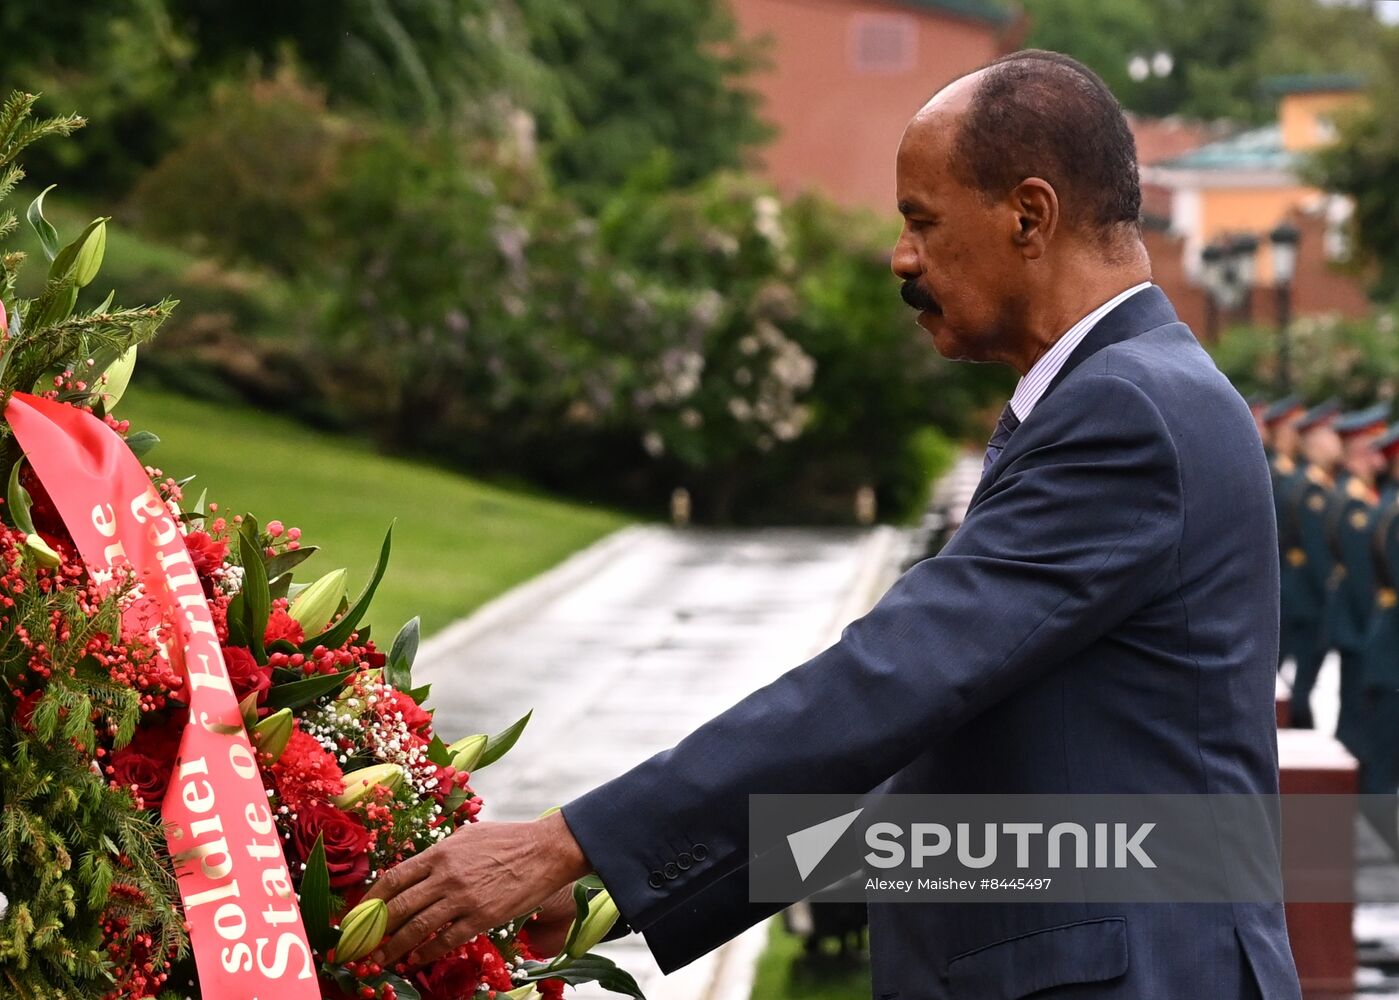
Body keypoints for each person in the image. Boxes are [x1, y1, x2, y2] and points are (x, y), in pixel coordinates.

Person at [363, 51, 1301, 999]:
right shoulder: (1124, 390)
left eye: (921, 221)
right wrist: (616, 891)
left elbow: (891, 679)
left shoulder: (1126, 411)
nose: (900, 256)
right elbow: (955, 791)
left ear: (1029, 214)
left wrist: (566, 842)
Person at [1322, 405, 1388, 752]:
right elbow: (1363, 575)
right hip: (1356, 622)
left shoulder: (1355, 493)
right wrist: (1372, 627)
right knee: (1356, 719)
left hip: (1355, 622)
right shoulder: (1353, 501)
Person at [1282, 401, 1342, 728]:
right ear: (1317, 441)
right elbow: (1318, 553)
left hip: (1304, 594)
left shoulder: (1314, 484)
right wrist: (1332, 593)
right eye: (1331, 435)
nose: (1337, 443)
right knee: (1304, 674)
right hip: (1307, 597)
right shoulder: (1310, 490)